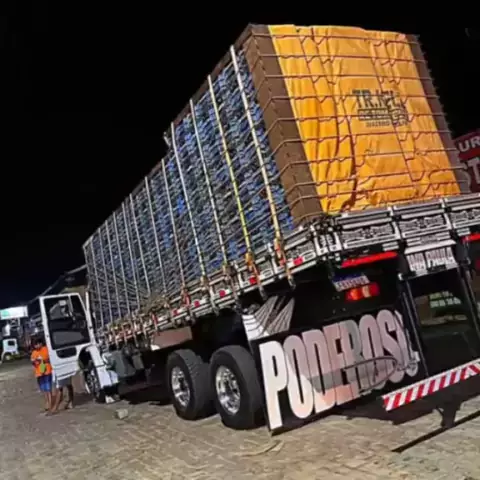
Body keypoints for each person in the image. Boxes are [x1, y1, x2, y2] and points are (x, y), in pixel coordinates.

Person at [30, 335, 53, 412]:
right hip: (39, 373)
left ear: (41, 343)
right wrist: (35, 361)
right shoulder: (34, 353)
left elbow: (50, 358)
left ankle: (50, 403)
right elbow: (33, 362)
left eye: (38, 343)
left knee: (48, 388)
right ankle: (47, 402)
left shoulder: (46, 349)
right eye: (35, 344)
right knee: (43, 389)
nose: (37, 345)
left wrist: (42, 360)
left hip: (47, 372)